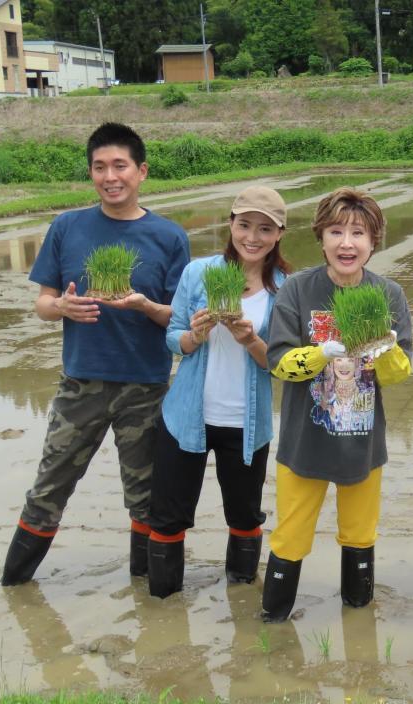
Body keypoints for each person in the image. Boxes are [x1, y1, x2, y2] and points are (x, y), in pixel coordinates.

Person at [0, 123, 190, 586]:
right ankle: (14, 586)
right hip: (81, 384)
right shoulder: (67, 227)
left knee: (145, 497)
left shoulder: (169, 236)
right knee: (49, 488)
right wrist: (61, 307)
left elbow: (179, 319)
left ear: (141, 171)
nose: (110, 176)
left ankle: (148, 593)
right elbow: (43, 303)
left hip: (145, 388)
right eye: (100, 167)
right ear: (91, 173)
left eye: (120, 166)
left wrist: (145, 306)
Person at [260, 188, 413, 622]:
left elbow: (399, 373)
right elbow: (279, 364)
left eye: (358, 233)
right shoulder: (297, 289)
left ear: (373, 240)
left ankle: (358, 618)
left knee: (360, 534)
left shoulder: (389, 294)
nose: (347, 243)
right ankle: (272, 621)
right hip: (304, 441)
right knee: (290, 535)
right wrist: (322, 353)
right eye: (336, 232)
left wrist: (385, 350)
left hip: (362, 440)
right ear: (321, 237)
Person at [146, 186, 291, 598]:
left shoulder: (285, 288)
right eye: (244, 225)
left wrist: (250, 339)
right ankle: (163, 606)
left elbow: (280, 364)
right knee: (168, 516)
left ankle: (241, 600)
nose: (252, 237)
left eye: (265, 229)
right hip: (186, 417)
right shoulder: (198, 273)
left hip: (246, 424)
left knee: (245, 516)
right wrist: (195, 335)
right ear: (230, 224)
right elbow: (173, 338)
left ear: (279, 234)